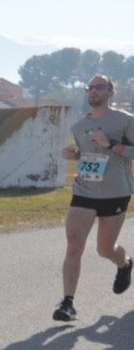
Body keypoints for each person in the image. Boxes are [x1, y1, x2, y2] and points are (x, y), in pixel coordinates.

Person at [54, 74, 134, 322]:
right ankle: (67, 303)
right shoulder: (79, 126)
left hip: (115, 192)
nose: (93, 91)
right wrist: (74, 154)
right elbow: (88, 154)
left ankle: (125, 264)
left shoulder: (125, 121)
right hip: (84, 191)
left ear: (111, 92)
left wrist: (111, 145)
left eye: (99, 87)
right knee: (74, 245)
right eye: (90, 87)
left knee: (104, 249)